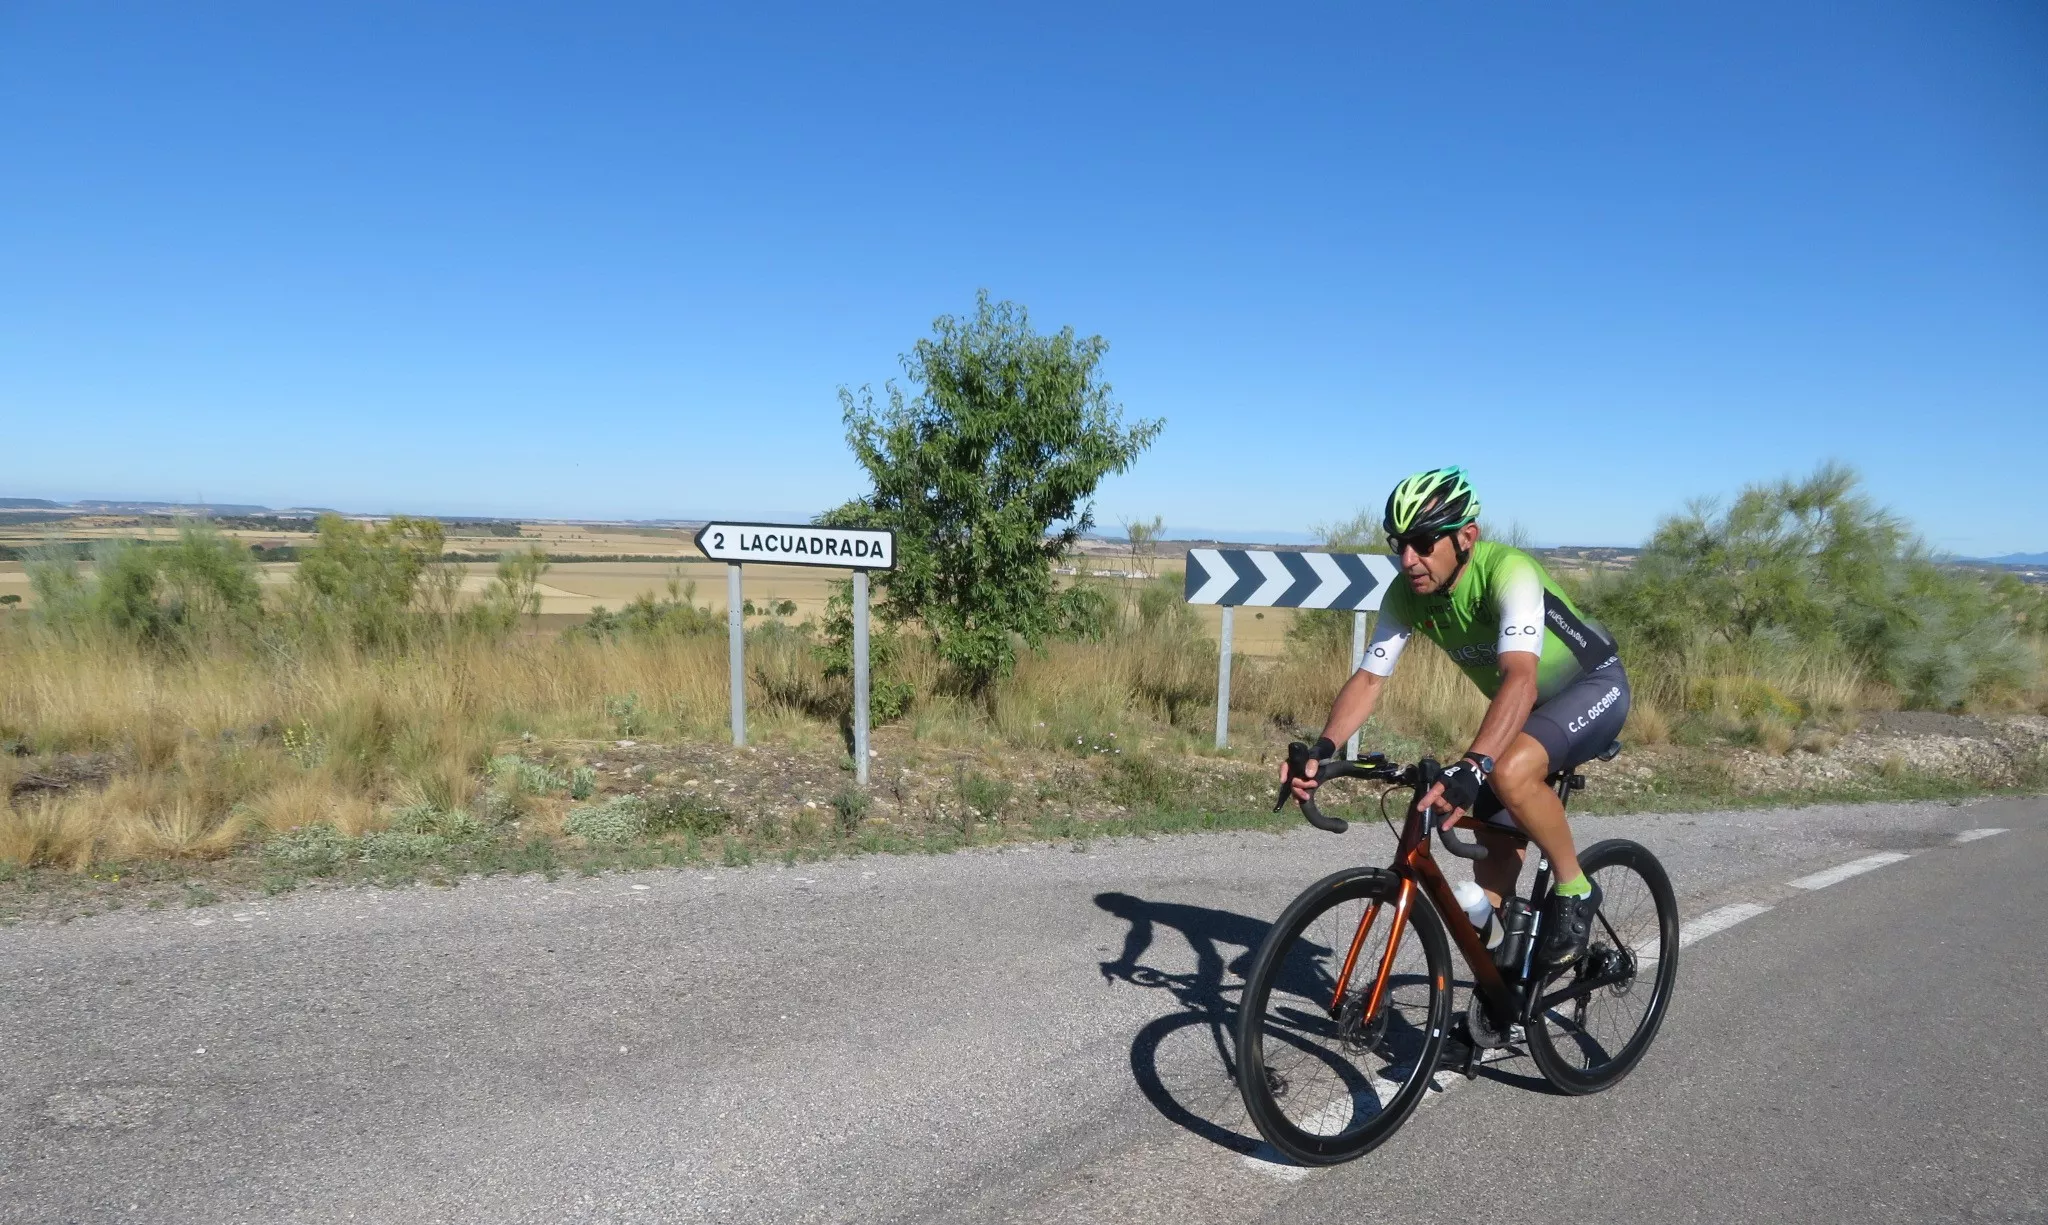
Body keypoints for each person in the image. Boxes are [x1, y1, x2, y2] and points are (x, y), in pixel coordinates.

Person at [1284, 466, 1629, 968]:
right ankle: (1499, 992)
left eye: (1423, 543)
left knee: (1506, 772)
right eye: (1398, 543)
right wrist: (1322, 749)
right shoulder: (1406, 595)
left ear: (1467, 537)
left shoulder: (1509, 572)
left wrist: (1474, 764)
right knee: (1492, 841)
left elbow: (1519, 679)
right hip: (1529, 709)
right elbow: (1369, 680)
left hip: (1592, 686)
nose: (1408, 559)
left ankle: (1575, 889)